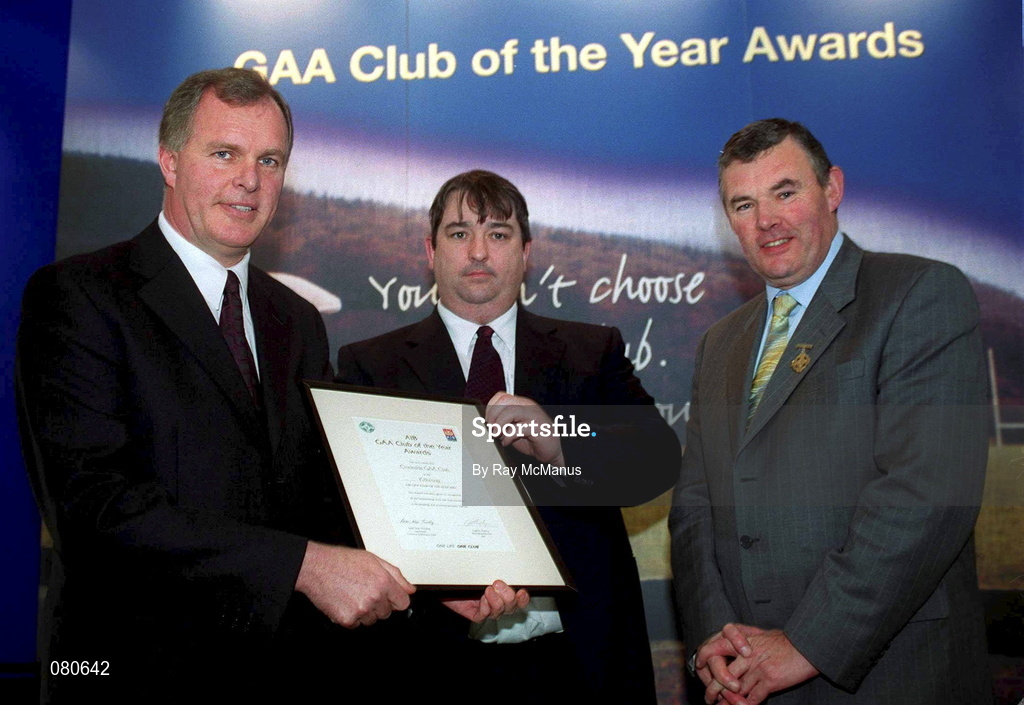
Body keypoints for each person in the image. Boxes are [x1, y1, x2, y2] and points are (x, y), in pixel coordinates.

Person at [17, 69, 524, 704]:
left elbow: (324, 493)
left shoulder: (297, 321)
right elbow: (94, 510)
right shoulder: (80, 296)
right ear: (169, 161)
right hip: (126, 675)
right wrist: (304, 567)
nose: (249, 180)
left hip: (280, 678)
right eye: (223, 153)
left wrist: (435, 573)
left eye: (269, 160)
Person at [669, 118, 991, 704]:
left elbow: (926, 491)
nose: (766, 220)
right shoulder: (720, 342)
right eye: (744, 204)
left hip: (888, 674)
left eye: (785, 192)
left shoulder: (918, 294)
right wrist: (713, 636)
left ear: (832, 189)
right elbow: (694, 505)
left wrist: (808, 643)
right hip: (745, 674)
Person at [336, 169, 681, 702]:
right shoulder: (371, 366)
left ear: (526, 252)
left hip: (580, 661)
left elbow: (657, 459)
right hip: (430, 660)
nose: (478, 251)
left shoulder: (591, 352)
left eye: (498, 233)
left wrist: (559, 442)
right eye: (459, 233)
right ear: (430, 251)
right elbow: (348, 516)